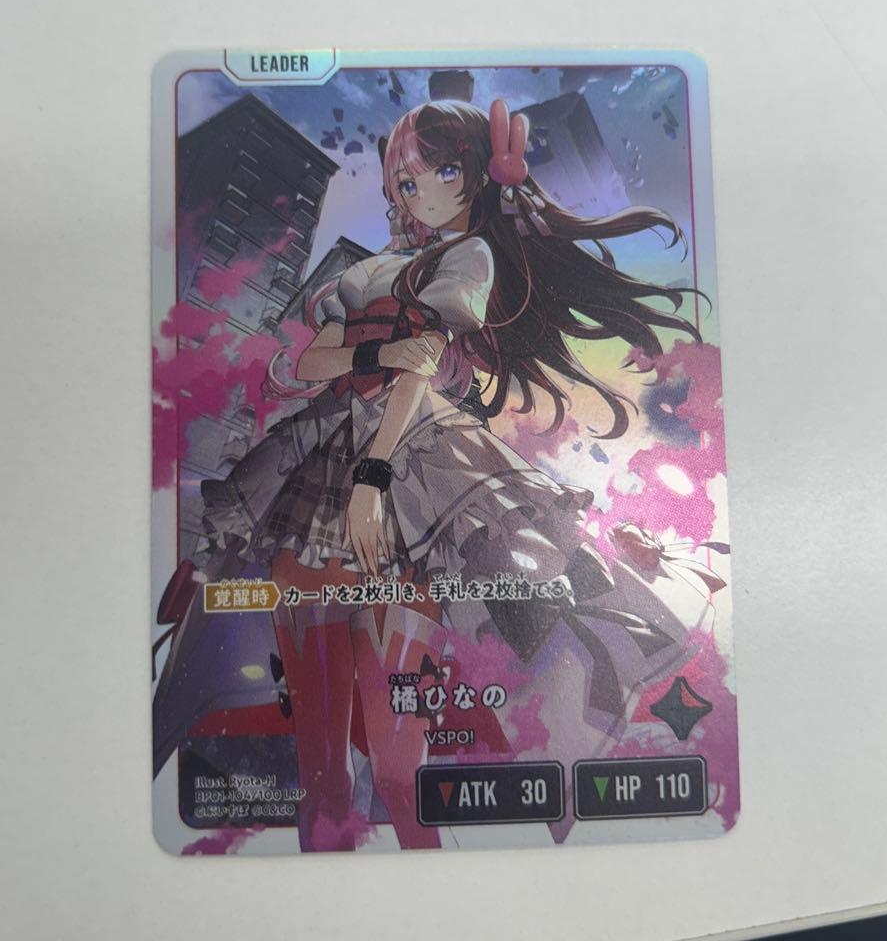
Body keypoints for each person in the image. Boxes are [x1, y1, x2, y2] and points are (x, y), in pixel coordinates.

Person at [195, 98, 710, 850]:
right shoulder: (369, 269)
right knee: (318, 765)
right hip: (318, 466)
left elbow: (421, 369)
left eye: (440, 171)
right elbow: (311, 362)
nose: (422, 192)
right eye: (406, 181)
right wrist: (376, 355)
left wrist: (374, 476)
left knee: (399, 763)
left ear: (473, 174)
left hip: (413, 465)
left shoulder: (469, 258)